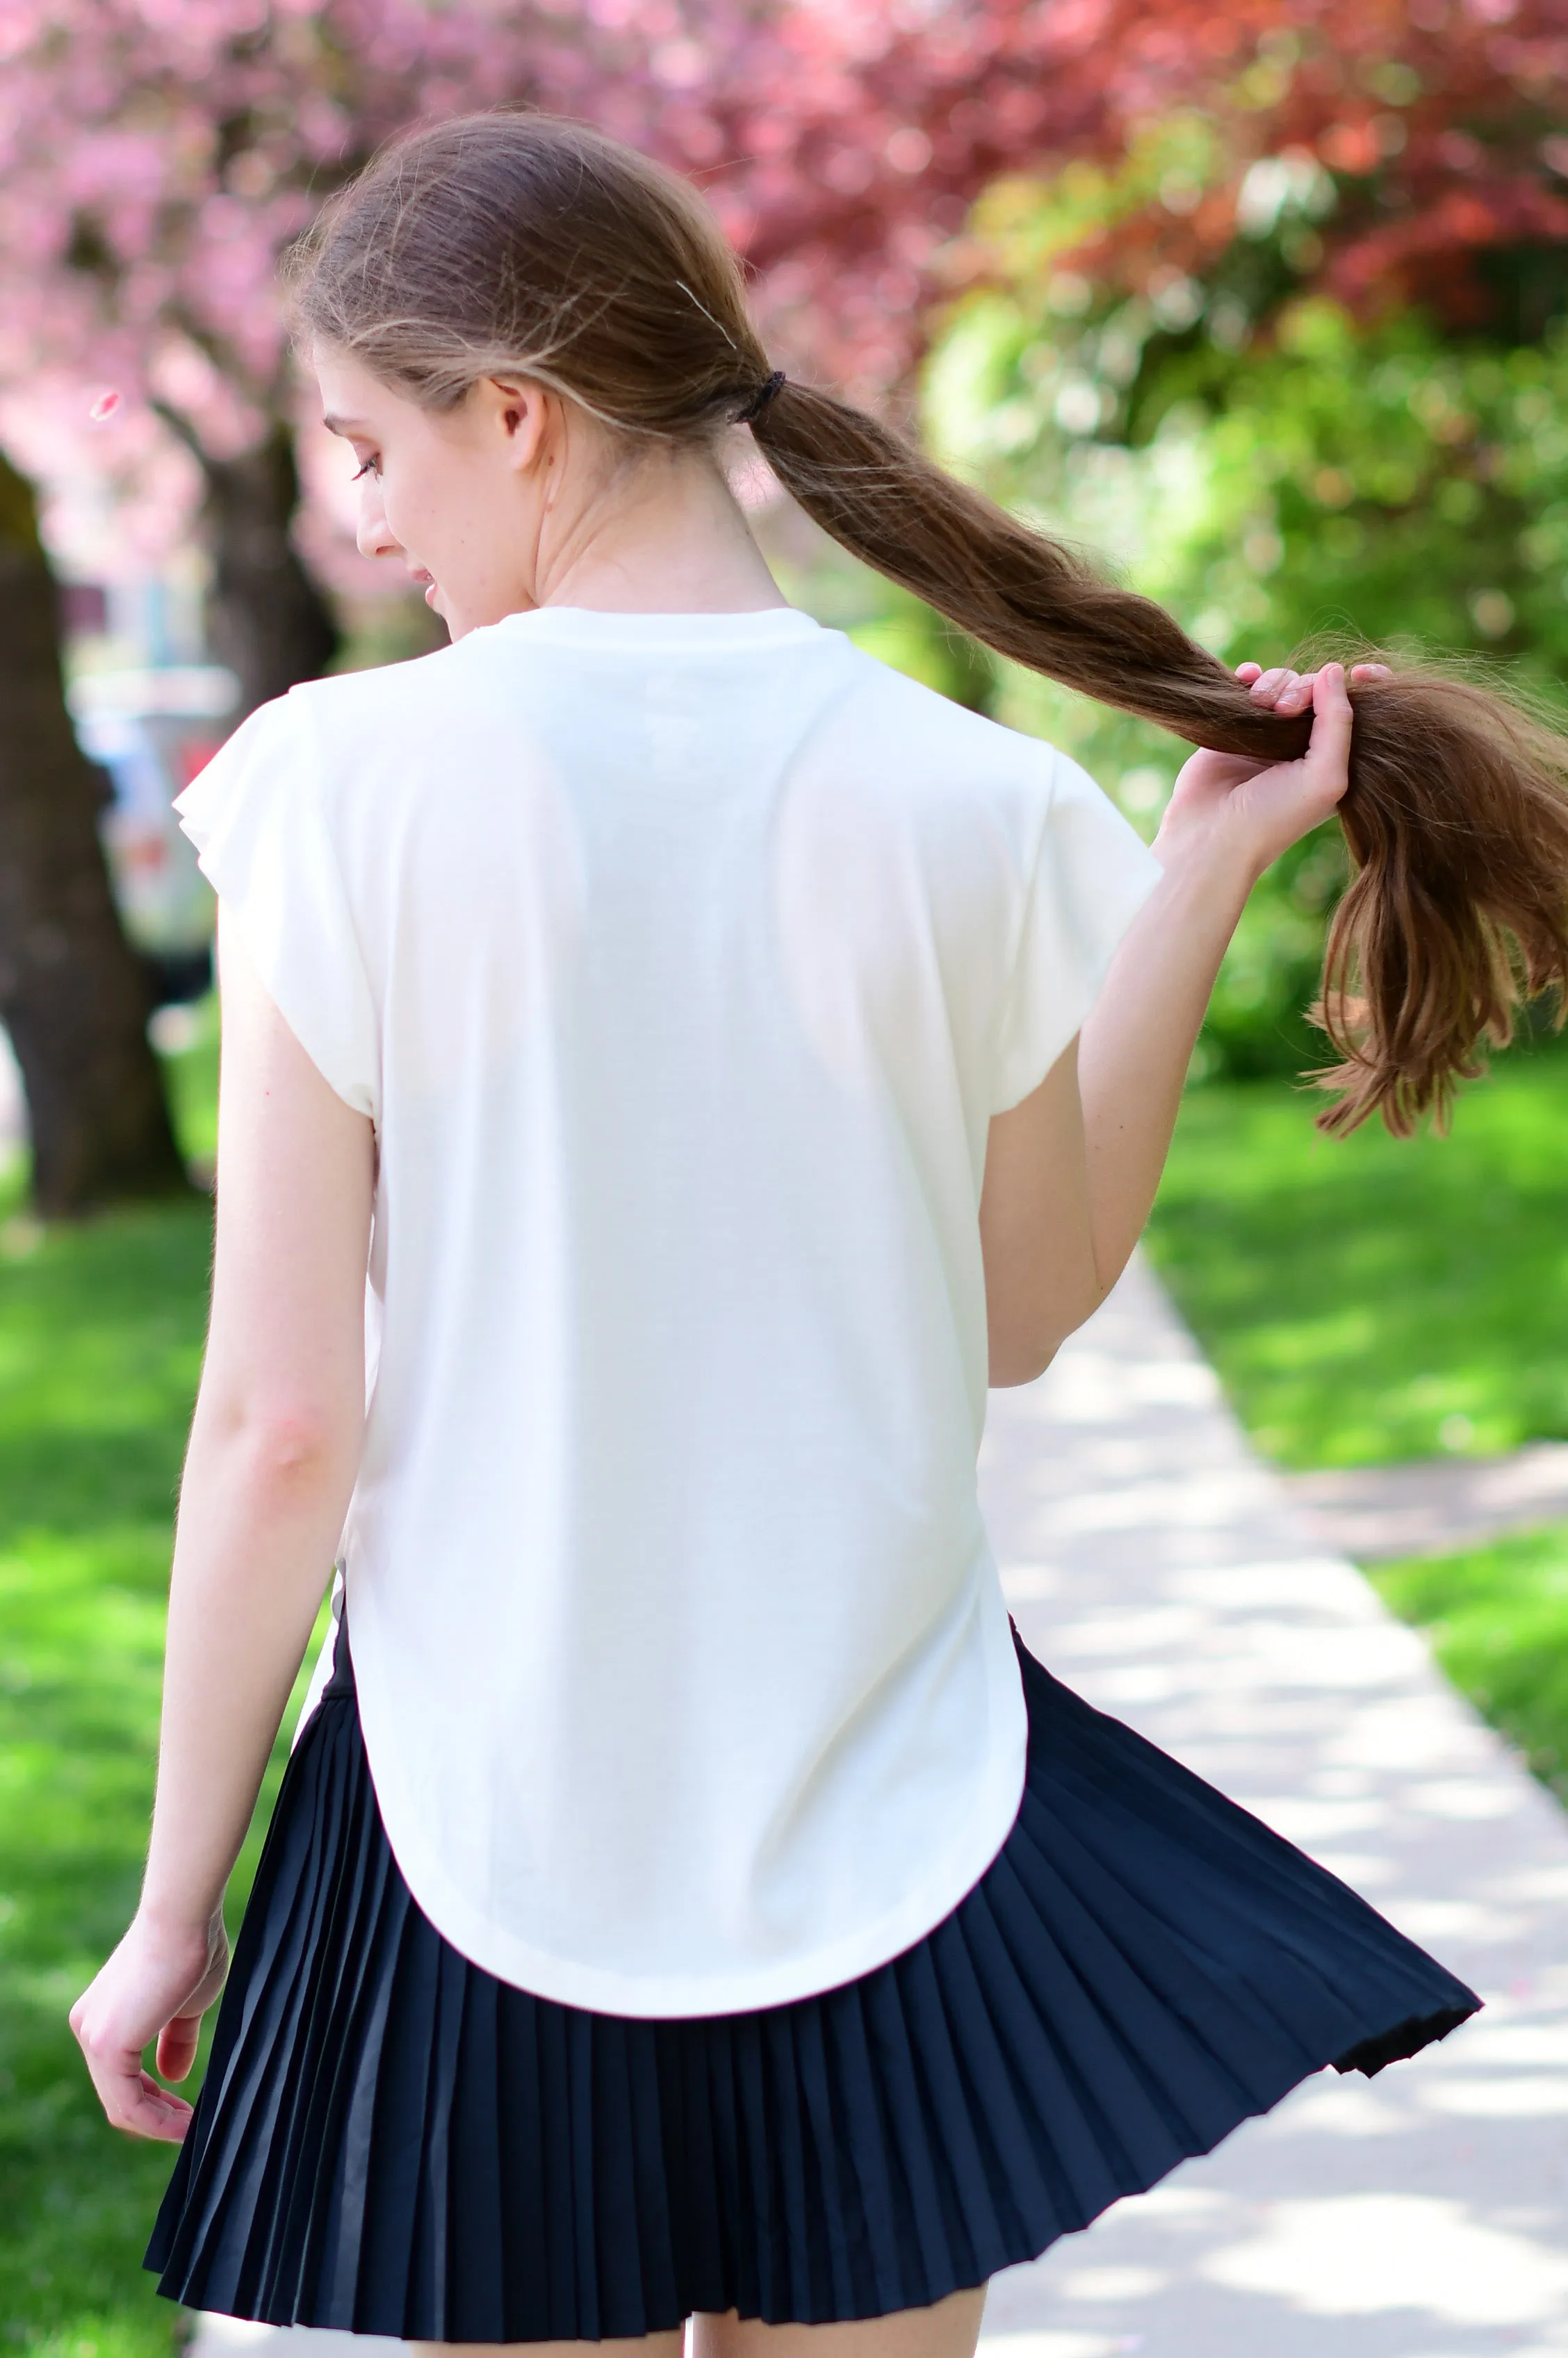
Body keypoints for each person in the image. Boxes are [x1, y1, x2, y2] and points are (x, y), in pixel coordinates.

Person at [84, 106, 1568, 2358]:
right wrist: (1191, 885)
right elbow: (1026, 1306)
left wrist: (177, 1900)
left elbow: (284, 1422)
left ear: (517, 416)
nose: (356, 518)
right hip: (895, 1813)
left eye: (364, 447)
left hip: (482, 1813)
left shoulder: (342, 788)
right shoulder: (969, 802)